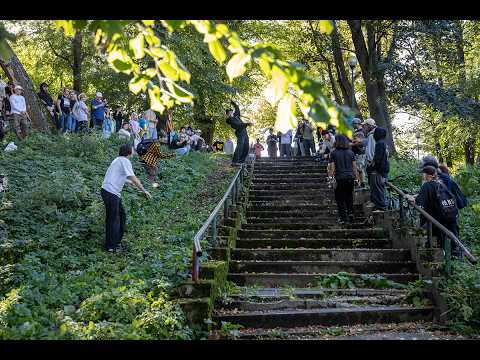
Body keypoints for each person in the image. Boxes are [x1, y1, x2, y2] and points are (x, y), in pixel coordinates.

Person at [101, 144, 151, 252]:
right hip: (111, 192)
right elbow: (133, 177)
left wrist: (130, 183)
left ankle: (115, 242)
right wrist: (144, 190)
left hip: (108, 191)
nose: (134, 150)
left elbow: (119, 176)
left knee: (120, 216)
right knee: (114, 220)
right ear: (129, 151)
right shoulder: (125, 161)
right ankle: (111, 247)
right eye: (132, 149)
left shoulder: (118, 160)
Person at [406, 166, 461, 257]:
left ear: (428, 175)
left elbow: (420, 201)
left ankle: (442, 257)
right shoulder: (441, 184)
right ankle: (454, 256)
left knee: (436, 237)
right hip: (447, 215)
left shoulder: (426, 185)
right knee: (448, 238)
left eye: (423, 174)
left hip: (435, 219)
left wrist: (411, 198)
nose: (422, 176)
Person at [328, 134, 359, 224]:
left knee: (340, 199)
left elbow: (332, 168)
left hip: (339, 178)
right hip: (350, 177)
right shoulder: (350, 152)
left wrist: (330, 178)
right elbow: (354, 167)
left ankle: (343, 218)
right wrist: (357, 178)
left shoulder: (333, 153)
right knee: (349, 197)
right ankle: (351, 214)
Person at [367, 127, 389, 211]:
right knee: (380, 188)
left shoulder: (379, 144)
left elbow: (378, 158)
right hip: (383, 170)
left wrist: (372, 167)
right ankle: (381, 205)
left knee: (377, 188)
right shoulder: (384, 143)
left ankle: (381, 206)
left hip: (379, 171)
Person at [226, 100, 252, 166]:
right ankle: (234, 161)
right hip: (240, 132)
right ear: (228, 114)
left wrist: (232, 102)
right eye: (230, 112)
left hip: (245, 133)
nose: (232, 112)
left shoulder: (236, 116)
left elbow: (237, 108)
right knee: (240, 146)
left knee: (246, 147)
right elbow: (238, 126)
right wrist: (247, 124)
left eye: (232, 111)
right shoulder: (230, 120)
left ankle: (241, 161)